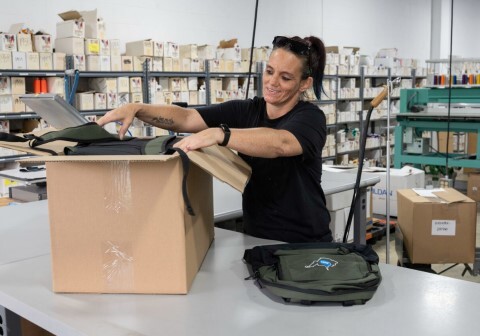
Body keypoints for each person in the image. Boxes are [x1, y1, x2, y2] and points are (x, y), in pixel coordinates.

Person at [97, 35, 331, 243]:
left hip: (305, 243)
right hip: (256, 238)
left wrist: (222, 134)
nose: (272, 82)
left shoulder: (311, 118)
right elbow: (187, 118)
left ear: (304, 84)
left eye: (286, 77)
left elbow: (281, 143)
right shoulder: (247, 111)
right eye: (269, 71)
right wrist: (138, 109)